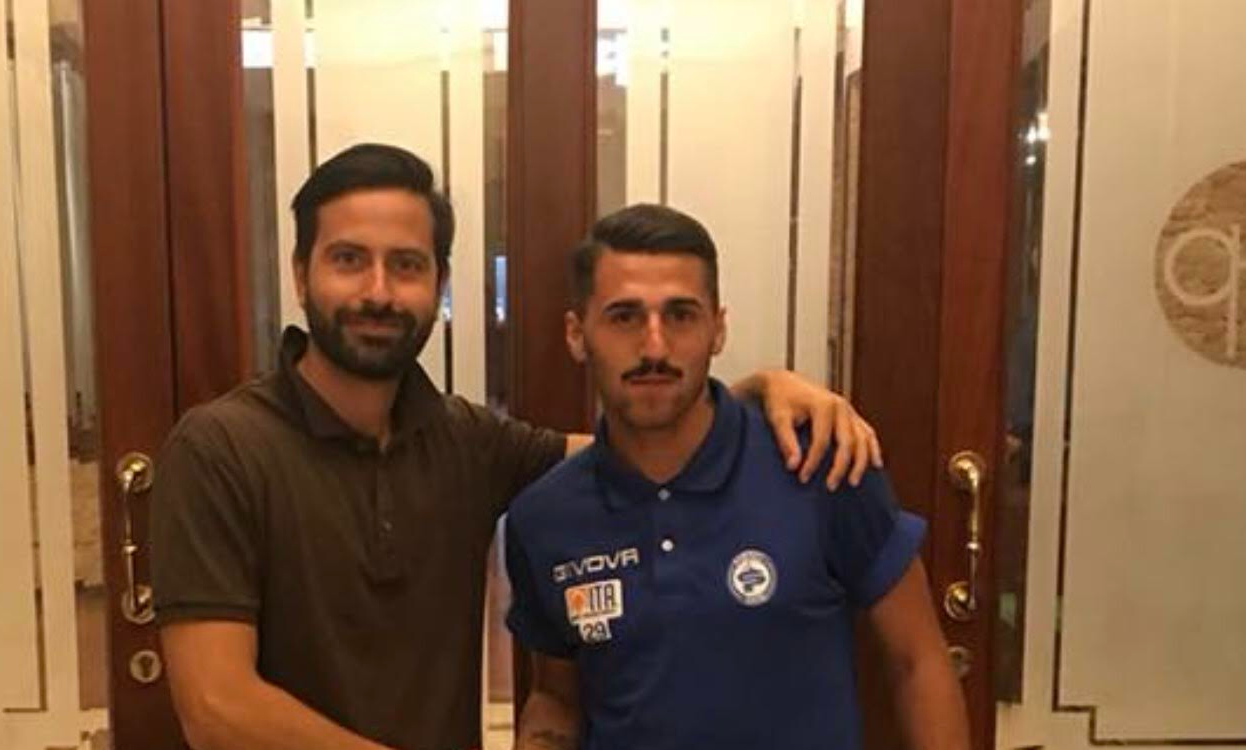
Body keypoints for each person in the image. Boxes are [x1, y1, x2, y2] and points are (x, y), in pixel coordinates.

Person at [150, 144, 883, 750]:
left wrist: (759, 392)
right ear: (300, 275)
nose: (379, 292)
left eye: (407, 265)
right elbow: (218, 709)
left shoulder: (466, 442)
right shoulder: (223, 449)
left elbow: (650, 441)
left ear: (438, 284)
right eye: (348, 259)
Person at [504, 204, 968, 750]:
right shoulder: (545, 518)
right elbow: (558, 697)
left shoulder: (819, 462)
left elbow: (918, 661)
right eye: (624, 317)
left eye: (681, 315)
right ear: (577, 334)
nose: (654, 347)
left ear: (718, 329)